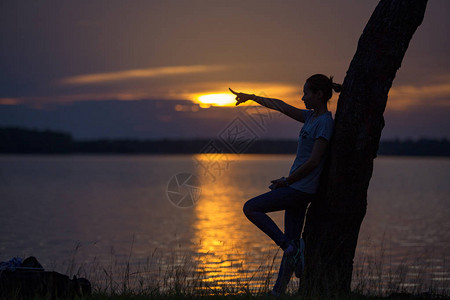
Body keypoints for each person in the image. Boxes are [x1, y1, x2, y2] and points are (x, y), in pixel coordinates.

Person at [229, 74, 342, 296]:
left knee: (250, 208)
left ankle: (288, 247)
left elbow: (314, 161)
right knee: (292, 242)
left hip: (300, 190)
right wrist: (251, 97)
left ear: (319, 95)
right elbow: (280, 106)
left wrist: (286, 181)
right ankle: (278, 292)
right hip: (296, 187)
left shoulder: (325, 123)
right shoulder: (310, 117)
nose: (302, 97)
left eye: (306, 93)